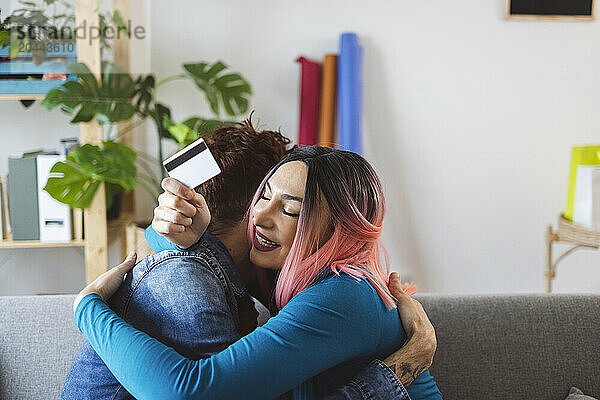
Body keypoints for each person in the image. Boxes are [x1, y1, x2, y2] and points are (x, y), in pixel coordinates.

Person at [71, 143, 442, 398]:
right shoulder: (291, 277)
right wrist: (187, 230)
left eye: (290, 210)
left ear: (338, 231)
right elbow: (171, 247)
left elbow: (187, 393)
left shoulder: (342, 297)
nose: (260, 217)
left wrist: (88, 309)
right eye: (264, 196)